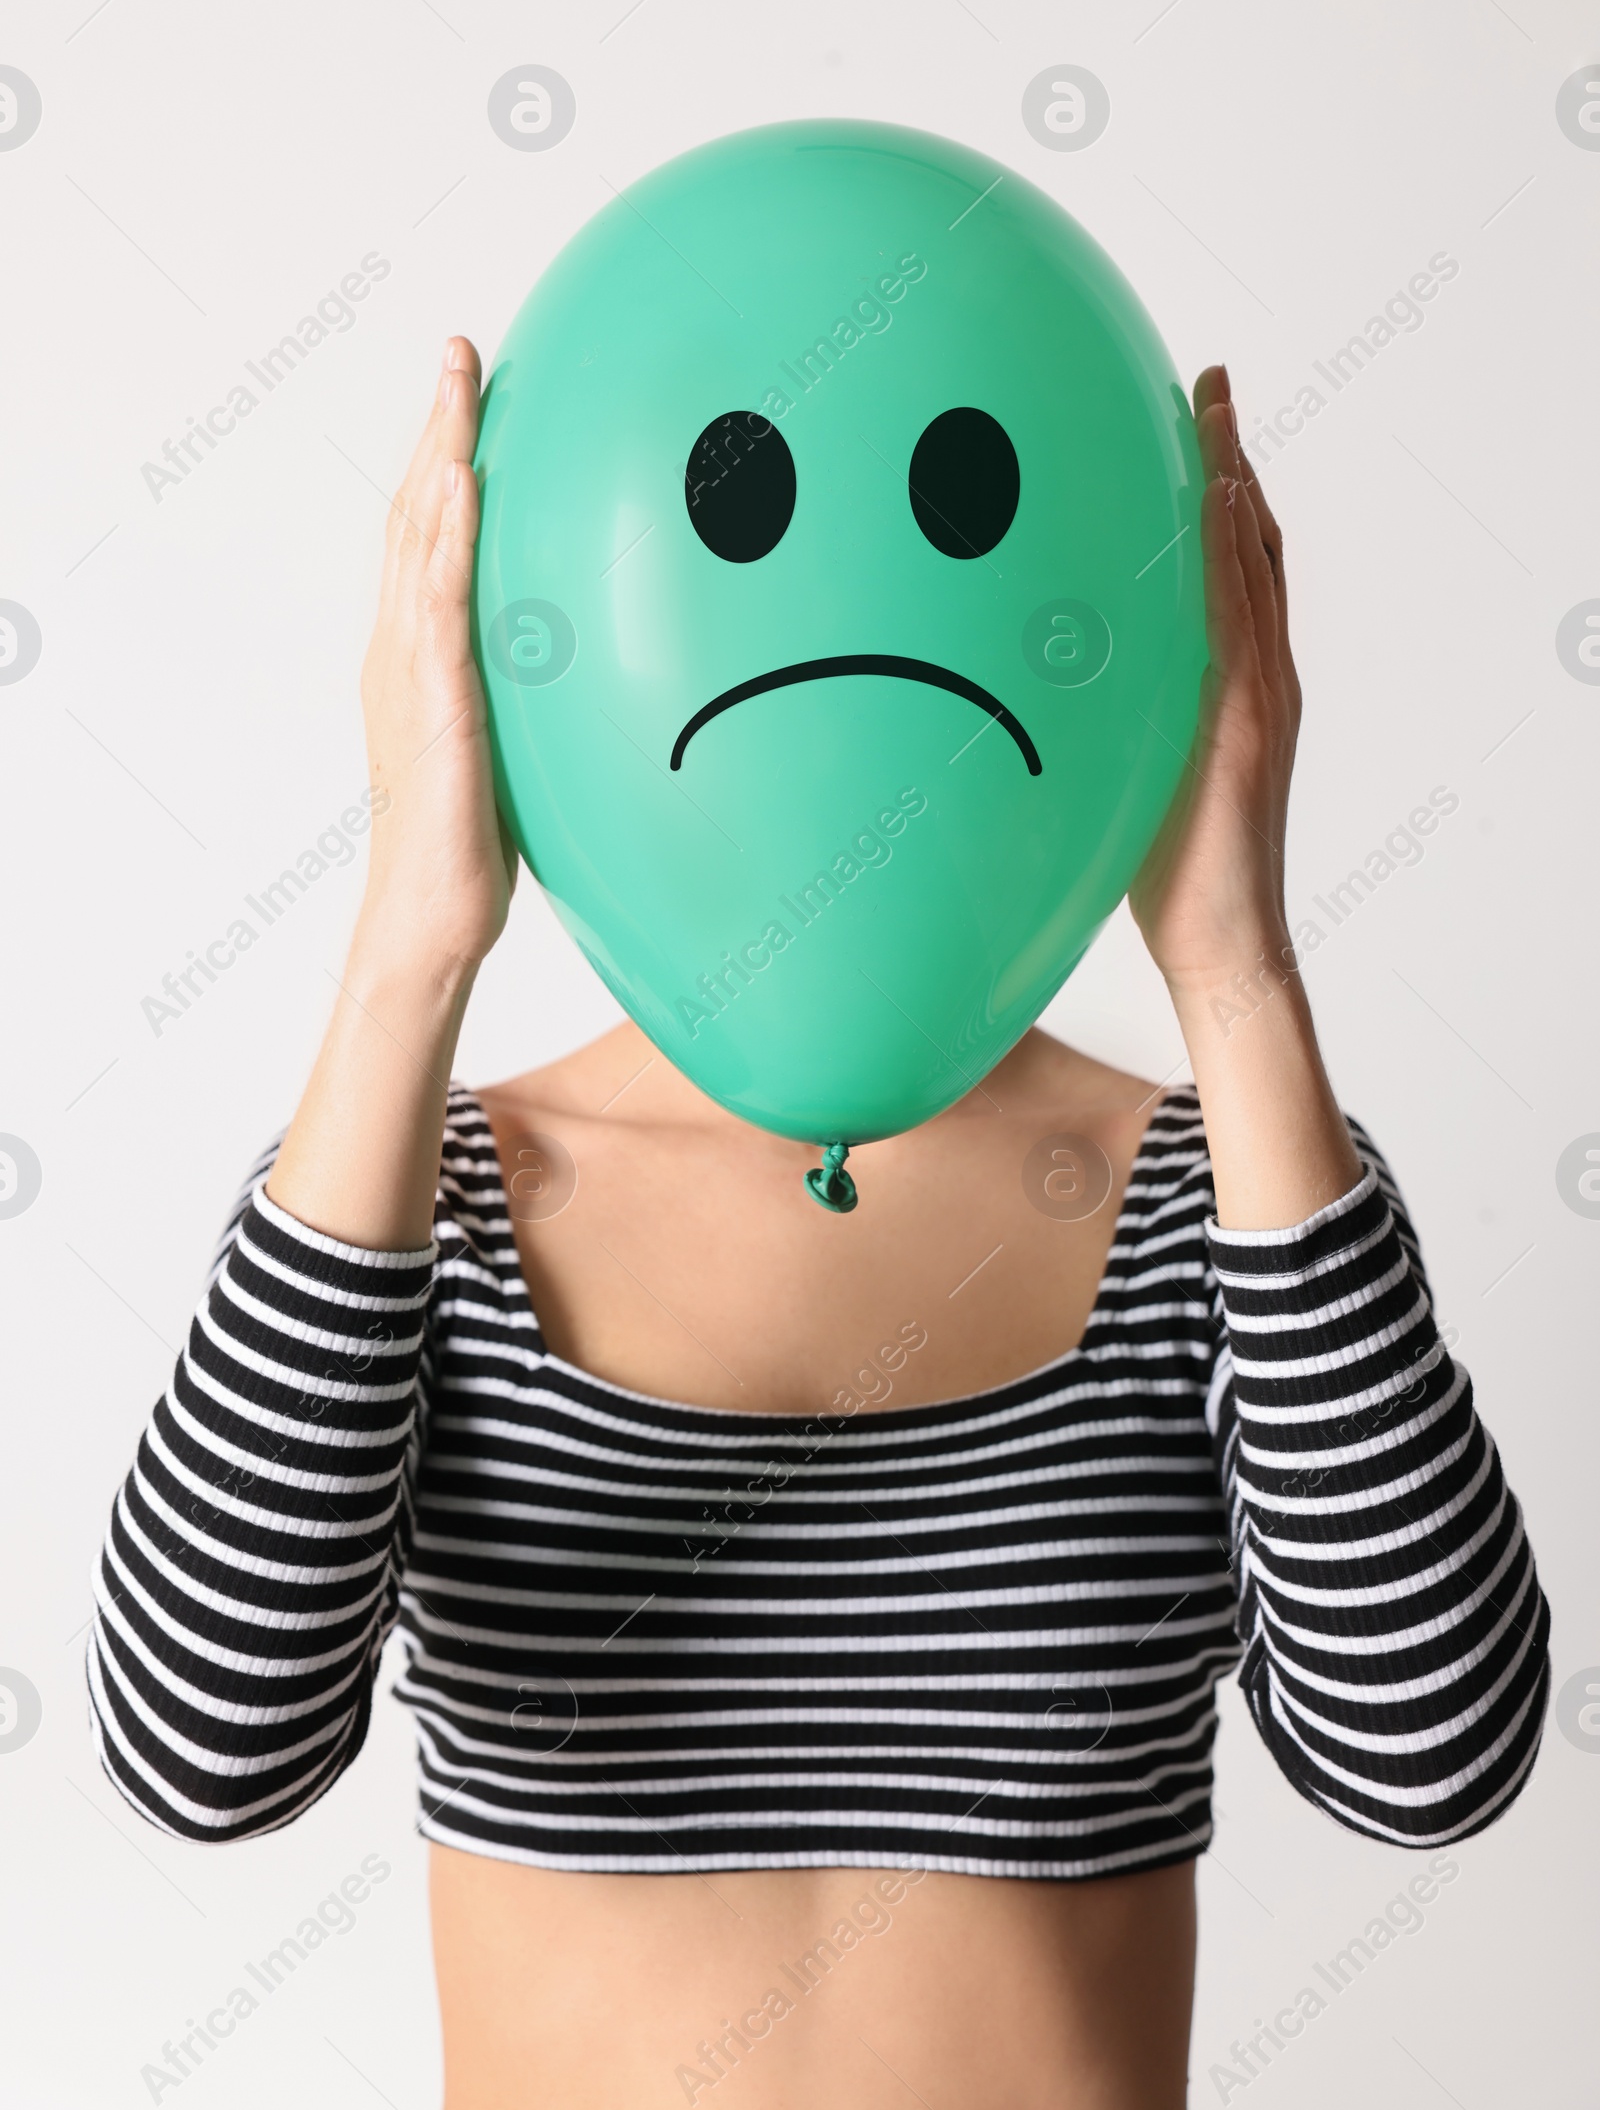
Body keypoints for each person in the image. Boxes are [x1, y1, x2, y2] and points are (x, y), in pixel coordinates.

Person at [86, 344, 1549, 2110]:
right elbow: (201, 1752)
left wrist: (1235, 961)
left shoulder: (1216, 1195)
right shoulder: (425, 1200)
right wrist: (409, 941)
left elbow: (1433, 1759)